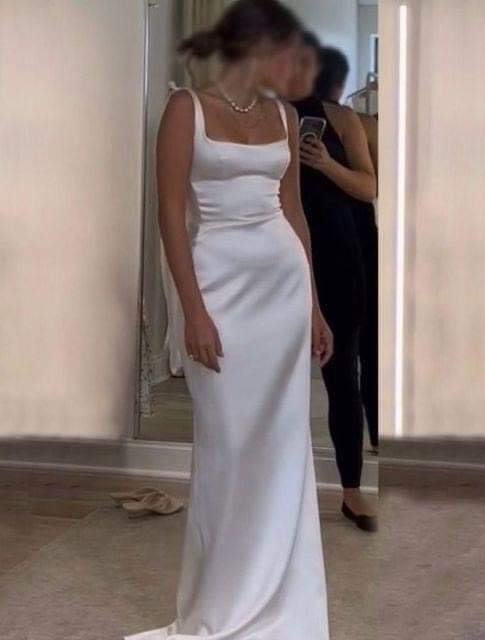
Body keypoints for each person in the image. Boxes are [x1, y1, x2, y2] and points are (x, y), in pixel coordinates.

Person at [124, 2, 333, 639]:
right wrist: (191, 309)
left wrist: (314, 305)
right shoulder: (185, 109)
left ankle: (283, 601)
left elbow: (293, 213)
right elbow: (169, 215)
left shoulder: (284, 115)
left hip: (281, 291)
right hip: (218, 290)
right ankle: (222, 601)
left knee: (281, 447)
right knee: (227, 447)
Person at [287, 33, 378, 530]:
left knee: (343, 374)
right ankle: (277, 490)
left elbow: (367, 186)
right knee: (276, 376)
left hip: (340, 258)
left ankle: (351, 490)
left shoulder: (343, 119)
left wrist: (325, 163)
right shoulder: (266, 117)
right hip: (283, 254)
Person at [316, 46, 379, 456]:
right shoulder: (356, 122)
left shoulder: (355, 122)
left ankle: (372, 437)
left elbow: (371, 186)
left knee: (362, 347)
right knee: (354, 351)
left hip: (355, 242)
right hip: (333, 243)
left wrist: (326, 164)